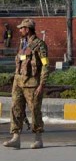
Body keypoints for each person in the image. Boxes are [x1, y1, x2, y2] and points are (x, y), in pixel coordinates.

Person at [3, 19, 49, 149]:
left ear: (27, 29)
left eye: (22, 28)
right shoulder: (22, 43)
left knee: (35, 110)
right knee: (15, 109)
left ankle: (38, 138)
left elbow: (45, 65)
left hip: (32, 84)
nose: (19, 30)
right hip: (18, 82)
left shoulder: (40, 45)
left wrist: (42, 84)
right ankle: (16, 138)